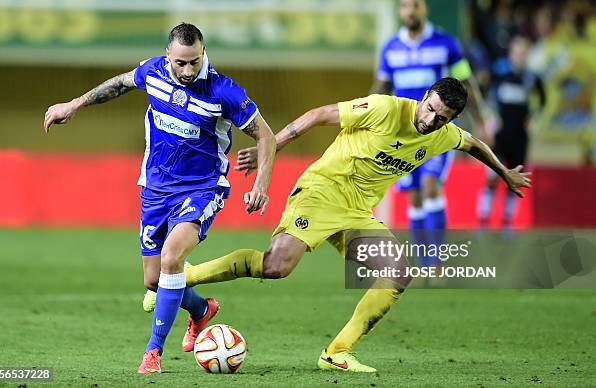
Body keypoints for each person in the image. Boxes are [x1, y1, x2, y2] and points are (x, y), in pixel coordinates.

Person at [181, 78, 531, 372]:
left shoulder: (443, 134)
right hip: (322, 191)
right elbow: (319, 115)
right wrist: (269, 148)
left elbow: (473, 143)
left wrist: (504, 173)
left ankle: (336, 352)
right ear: (424, 97)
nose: (431, 120)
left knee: (398, 272)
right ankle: (185, 276)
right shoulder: (384, 108)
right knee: (275, 267)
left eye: (442, 118)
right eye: (431, 109)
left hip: (357, 212)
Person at [43, 23, 276, 374]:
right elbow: (120, 84)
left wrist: (261, 184)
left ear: (203, 53)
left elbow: (266, 136)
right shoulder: (153, 71)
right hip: (155, 189)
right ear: (168, 56)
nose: (187, 71)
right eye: (180, 63)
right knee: (154, 279)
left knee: (171, 259)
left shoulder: (224, 91)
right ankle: (201, 310)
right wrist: (74, 105)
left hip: (202, 188)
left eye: (194, 62)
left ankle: (153, 352)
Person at [370, 0, 489, 267]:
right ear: (399, 11)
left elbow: (466, 83)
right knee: (413, 196)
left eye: (415, 6)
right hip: (402, 133)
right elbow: (380, 87)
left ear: (425, 9)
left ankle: (436, 261)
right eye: (404, 7)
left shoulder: (447, 44)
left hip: (435, 131)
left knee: (430, 187)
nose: (410, 12)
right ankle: (424, 261)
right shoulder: (391, 48)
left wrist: (481, 122)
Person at [477, 36, 545, 228]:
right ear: (511, 53)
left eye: (523, 53)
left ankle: (507, 222)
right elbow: (484, 94)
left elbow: (543, 101)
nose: (520, 56)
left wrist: (534, 120)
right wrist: (488, 118)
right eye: (517, 52)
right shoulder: (499, 73)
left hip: (520, 137)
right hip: (500, 135)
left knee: (515, 178)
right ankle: (483, 219)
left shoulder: (531, 78)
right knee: (492, 176)